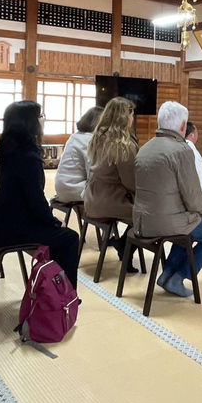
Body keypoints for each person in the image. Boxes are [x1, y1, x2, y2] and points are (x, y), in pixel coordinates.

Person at [0, 101, 80, 289]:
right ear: (29, 122)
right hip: (10, 229)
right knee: (69, 238)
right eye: (41, 116)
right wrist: (54, 222)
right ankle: (65, 296)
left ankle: (54, 293)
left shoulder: (8, 150)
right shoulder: (27, 157)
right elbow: (36, 201)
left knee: (58, 237)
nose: (43, 120)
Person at [133, 101, 202, 298]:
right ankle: (178, 277)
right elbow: (192, 194)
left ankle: (167, 275)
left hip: (142, 221)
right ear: (183, 126)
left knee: (187, 227)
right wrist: (200, 212)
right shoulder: (180, 150)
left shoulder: (145, 147)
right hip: (167, 222)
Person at [84, 97, 140, 273]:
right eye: (132, 114)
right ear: (125, 116)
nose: (133, 118)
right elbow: (131, 182)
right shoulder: (123, 145)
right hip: (111, 200)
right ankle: (125, 247)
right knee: (148, 215)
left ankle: (122, 245)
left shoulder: (98, 138)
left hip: (92, 198)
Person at [54, 106, 104, 203]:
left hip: (62, 186)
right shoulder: (89, 140)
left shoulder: (75, 136)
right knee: (110, 192)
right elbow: (93, 171)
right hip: (74, 187)